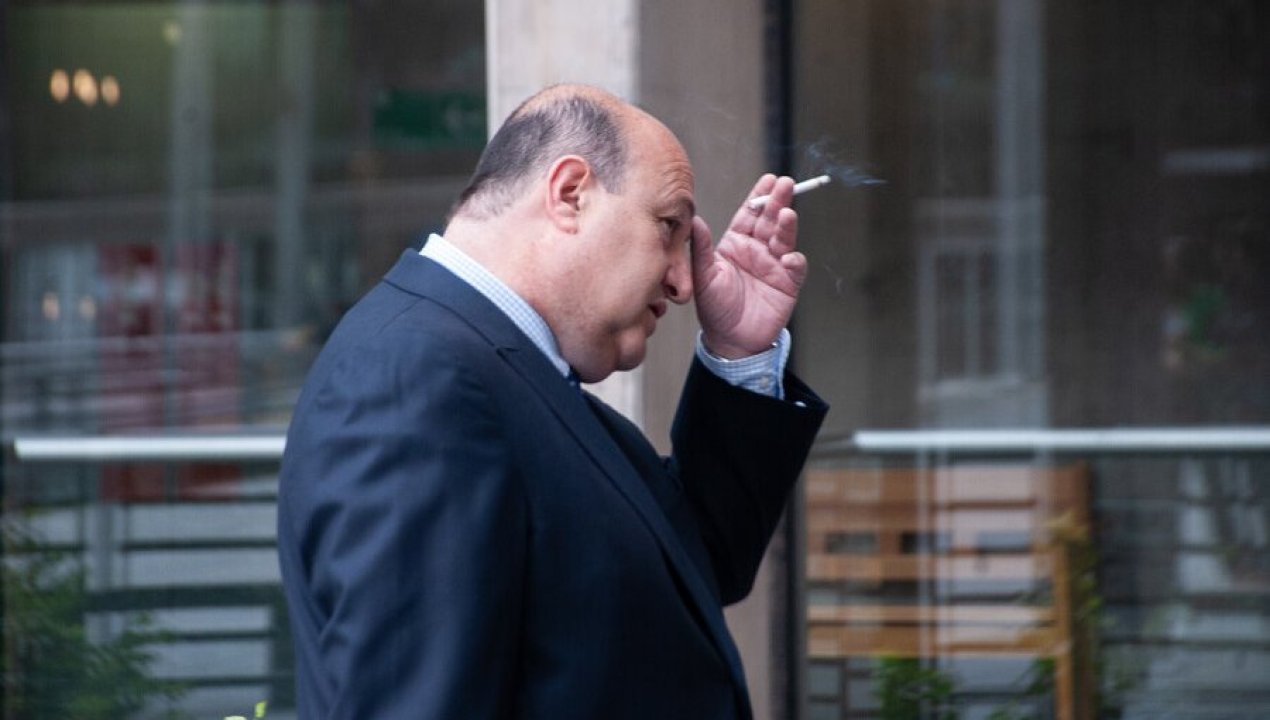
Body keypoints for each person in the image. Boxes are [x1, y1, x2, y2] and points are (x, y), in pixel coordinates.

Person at [276, 83, 828, 719]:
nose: (685, 281)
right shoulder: (414, 380)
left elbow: (693, 566)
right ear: (570, 194)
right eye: (668, 227)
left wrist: (739, 354)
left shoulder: (499, 374)